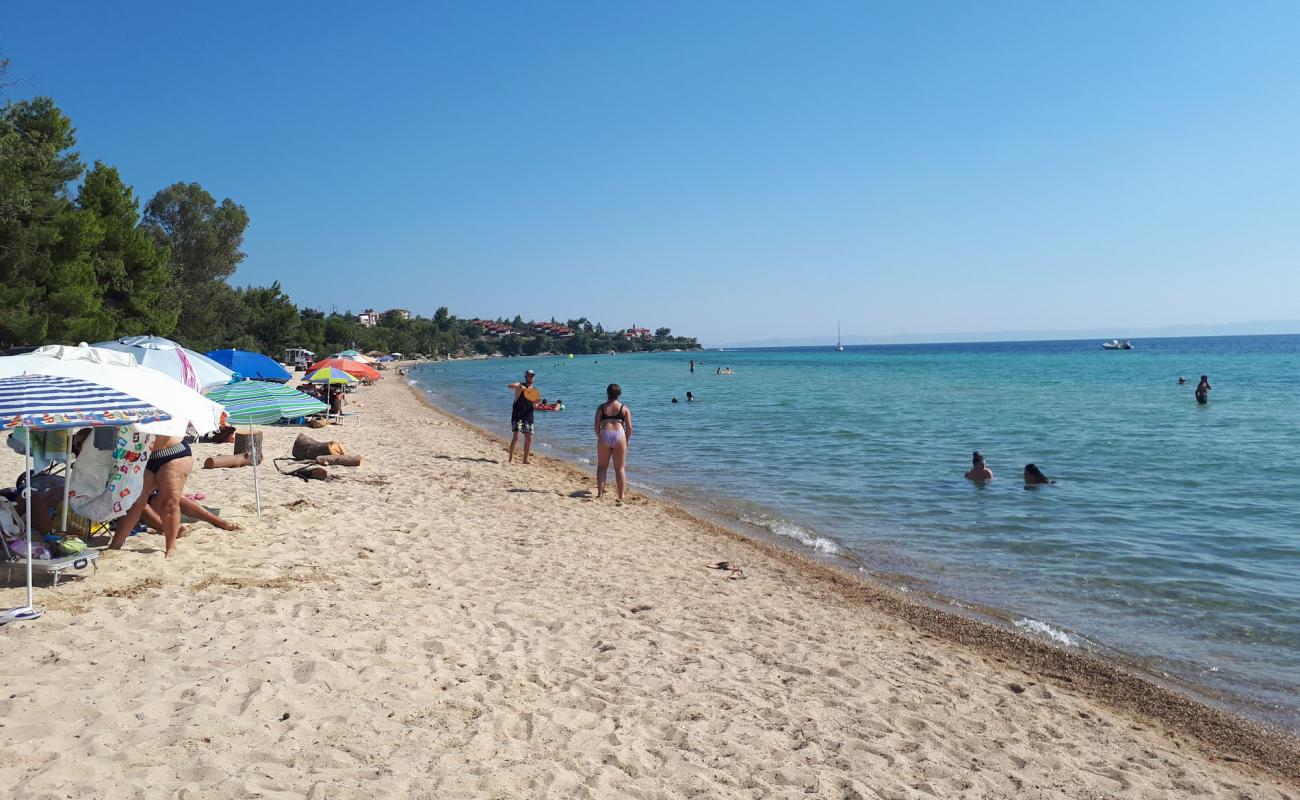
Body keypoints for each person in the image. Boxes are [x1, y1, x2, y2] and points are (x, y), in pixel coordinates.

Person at [110, 435, 194, 557]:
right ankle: (115, 545)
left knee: (169, 502)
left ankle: (171, 547)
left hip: (173, 451)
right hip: (143, 454)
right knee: (135, 502)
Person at [595, 383, 632, 501]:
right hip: (619, 434)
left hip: (604, 433)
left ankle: (600, 494)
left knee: (601, 467)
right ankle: (621, 496)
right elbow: (629, 428)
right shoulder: (624, 408)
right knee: (620, 468)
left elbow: (596, 426)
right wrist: (626, 440)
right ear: (619, 394)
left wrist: (600, 437)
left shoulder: (601, 408)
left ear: (607, 393)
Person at [507, 369, 538, 464]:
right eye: (529, 375)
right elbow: (509, 386)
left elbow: (534, 406)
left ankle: (525, 459)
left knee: (529, 438)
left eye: (533, 376)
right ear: (525, 376)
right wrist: (520, 387)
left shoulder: (534, 391)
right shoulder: (520, 385)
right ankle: (511, 459)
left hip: (528, 416)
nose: (531, 377)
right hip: (518, 415)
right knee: (516, 436)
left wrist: (537, 403)